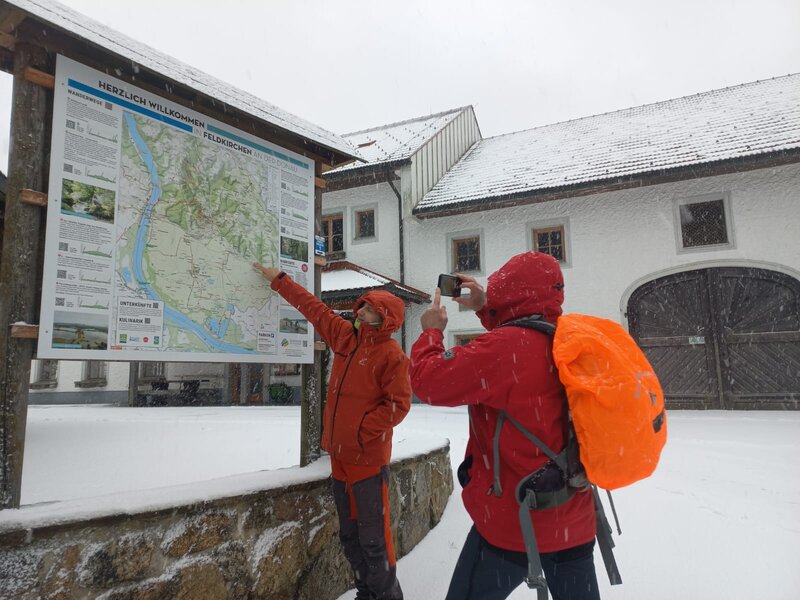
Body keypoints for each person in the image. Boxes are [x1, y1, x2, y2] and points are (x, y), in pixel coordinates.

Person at [409, 251, 600, 600]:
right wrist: (487, 307)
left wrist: (432, 333)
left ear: (509, 290)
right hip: (574, 518)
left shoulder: (503, 348)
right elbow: (520, 339)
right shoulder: (565, 339)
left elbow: (429, 382)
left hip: (513, 521)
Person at [254, 263, 410, 600]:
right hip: (339, 460)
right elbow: (314, 308)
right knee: (350, 537)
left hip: (367, 462)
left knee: (374, 540)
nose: (360, 311)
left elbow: (398, 405)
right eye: (362, 305)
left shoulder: (391, 355)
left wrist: (360, 433)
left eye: (369, 309)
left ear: (385, 319)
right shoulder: (344, 337)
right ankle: (365, 593)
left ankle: (387, 596)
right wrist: (280, 281)